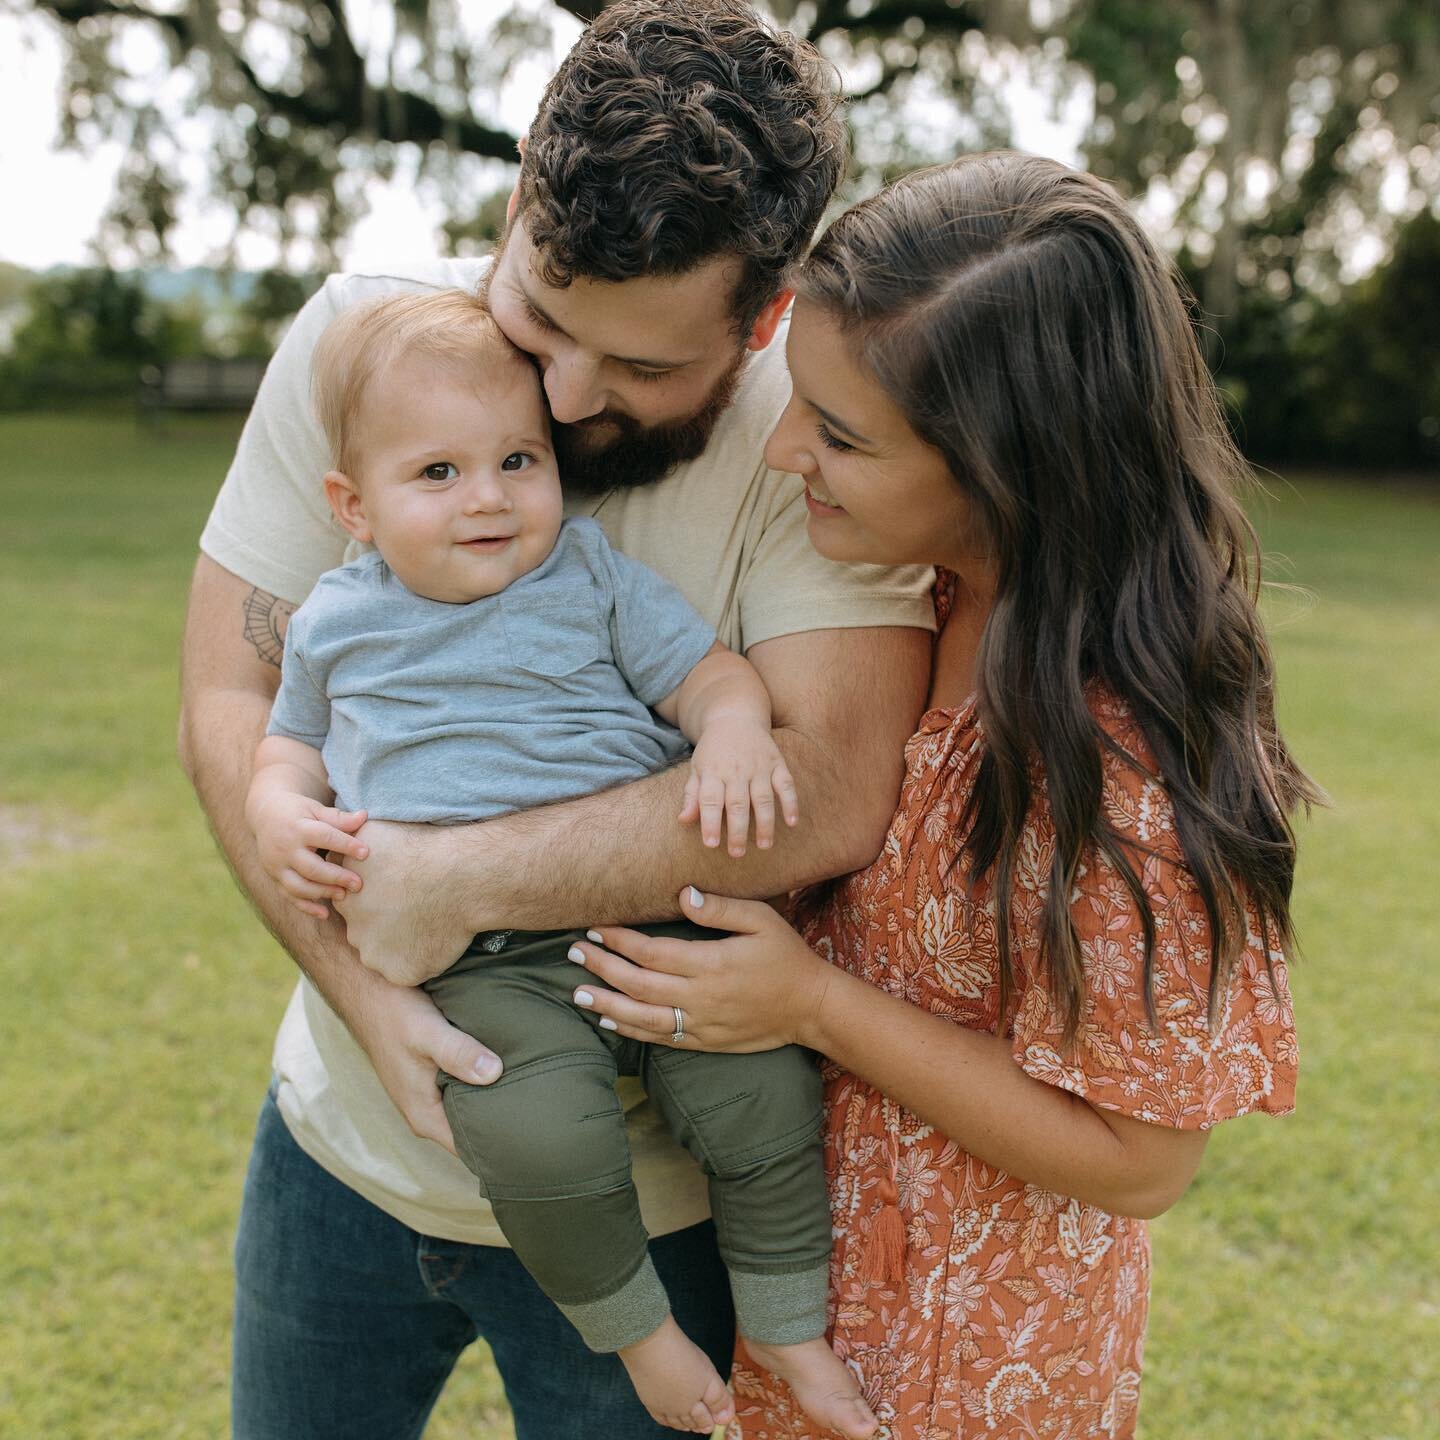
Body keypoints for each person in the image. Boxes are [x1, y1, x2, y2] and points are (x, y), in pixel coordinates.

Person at [177, 3, 934, 1436]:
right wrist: (370, 997)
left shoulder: (807, 439)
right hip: (336, 1152)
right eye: (543, 321)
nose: (566, 401)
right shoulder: (358, 348)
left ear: (761, 318)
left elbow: (828, 787)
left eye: (643, 369)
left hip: (653, 1201)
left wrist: (448, 883)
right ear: (525, 191)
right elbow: (234, 690)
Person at [566, 151, 1317, 1439]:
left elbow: (1144, 1160)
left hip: (971, 1364)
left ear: (1013, 463)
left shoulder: (1122, 743)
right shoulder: (912, 598)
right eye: (800, 398)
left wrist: (811, 1003)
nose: (789, 450)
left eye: (843, 435)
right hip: (796, 1305)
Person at [244, 286, 874, 1437]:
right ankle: (639, 1339)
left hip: (651, 922)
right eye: (436, 474)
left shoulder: (586, 574)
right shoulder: (334, 620)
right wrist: (281, 806)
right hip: (484, 968)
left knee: (759, 1094)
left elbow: (709, 677)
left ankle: (786, 1316)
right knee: (538, 1137)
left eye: (517, 461)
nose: (486, 497)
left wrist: (733, 731)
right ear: (353, 506)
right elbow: (282, 743)